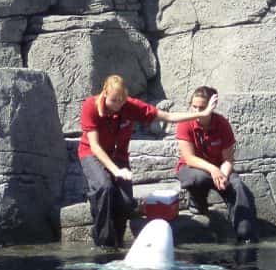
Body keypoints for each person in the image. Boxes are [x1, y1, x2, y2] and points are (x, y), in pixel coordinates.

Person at [79, 74, 219, 248]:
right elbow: (95, 146)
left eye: (121, 100)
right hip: (91, 153)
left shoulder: (129, 106)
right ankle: (103, 244)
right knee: (104, 187)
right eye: (114, 100)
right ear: (105, 93)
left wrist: (203, 113)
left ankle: (117, 243)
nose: (118, 105)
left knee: (125, 202)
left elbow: (167, 117)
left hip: (118, 156)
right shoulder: (91, 106)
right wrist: (116, 171)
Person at [175, 86, 257, 243]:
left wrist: (223, 176)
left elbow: (228, 159)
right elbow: (190, 158)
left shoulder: (222, 124)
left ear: (212, 107)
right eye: (194, 106)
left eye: (202, 107)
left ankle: (245, 235)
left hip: (221, 167)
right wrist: (213, 170)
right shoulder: (185, 124)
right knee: (199, 178)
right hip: (192, 168)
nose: (197, 111)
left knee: (237, 186)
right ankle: (197, 201)